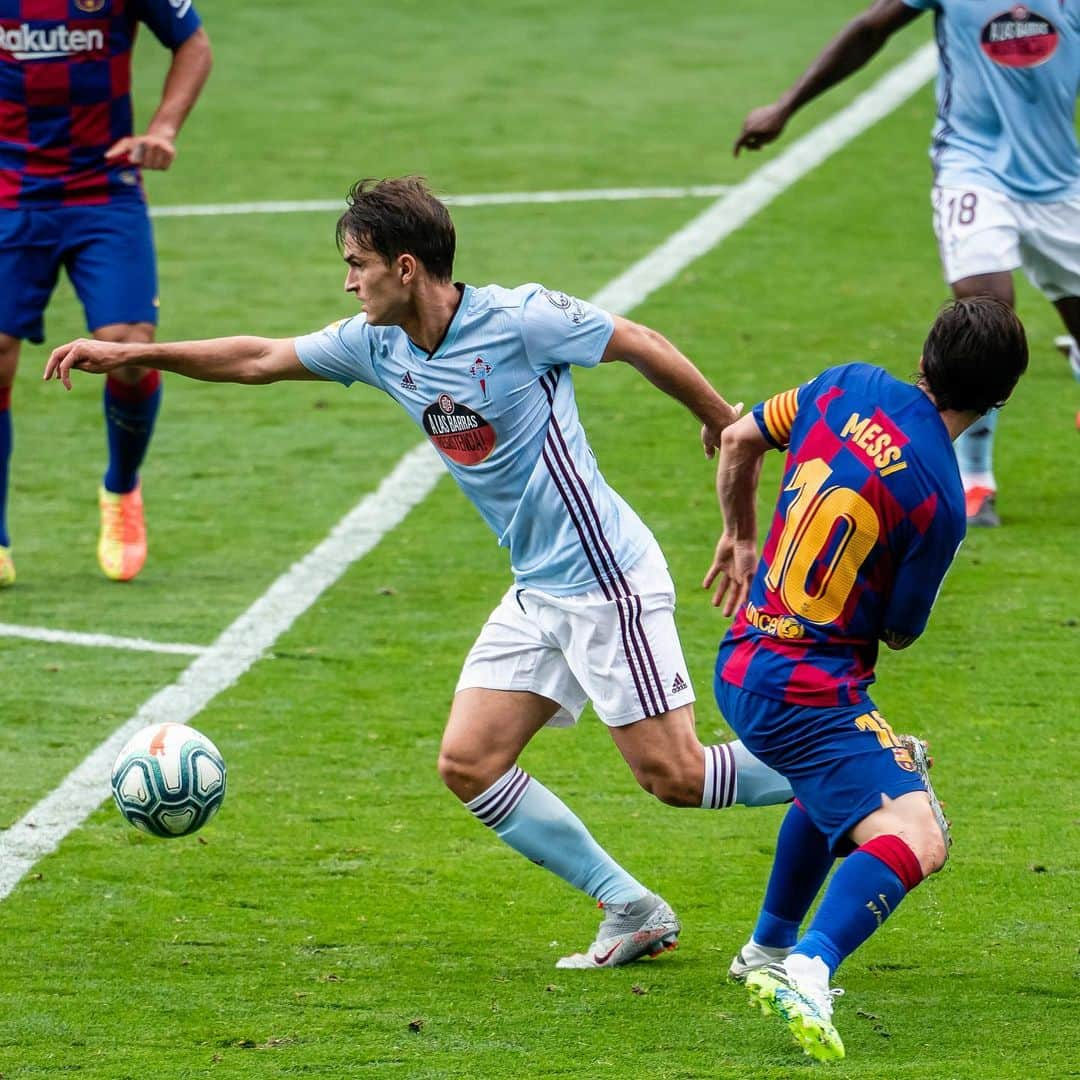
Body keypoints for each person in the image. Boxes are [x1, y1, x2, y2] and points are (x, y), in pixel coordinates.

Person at [45, 175, 799, 968]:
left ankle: (861, 766)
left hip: (603, 577)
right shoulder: (378, 345)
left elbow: (639, 341)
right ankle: (630, 907)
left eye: (356, 263)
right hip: (539, 586)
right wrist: (132, 352)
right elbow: (260, 358)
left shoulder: (519, 320)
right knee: (469, 764)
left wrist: (728, 424)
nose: (347, 281)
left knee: (675, 777)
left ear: (405, 268)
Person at [703, 296, 1028, 1060]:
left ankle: (770, 949)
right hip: (803, 692)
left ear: (924, 355)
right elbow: (899, 631)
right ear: (1000, 399)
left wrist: (741, 536)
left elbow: (738, 438)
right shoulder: (941, 499)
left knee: (841, 787)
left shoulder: (843, 382)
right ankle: (810, 969)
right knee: (919, 829)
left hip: (743, 656)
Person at [733, 0, 1079, 527]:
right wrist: (787, 106)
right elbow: (871, 27)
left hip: (1060, 182)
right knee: (986, 314)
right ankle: (973, 479)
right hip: (973, 168)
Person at [0, 0, 213, 586]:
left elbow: (193, 42)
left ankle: (122, 488)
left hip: (103, 186)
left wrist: (164, 127)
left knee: (127, 346)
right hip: (9, 188)